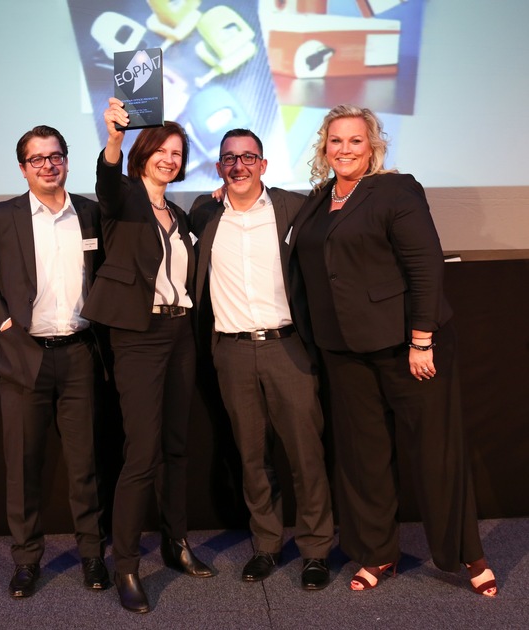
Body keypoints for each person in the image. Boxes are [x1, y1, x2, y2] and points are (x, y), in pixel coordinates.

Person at [288, 104, 497, 596]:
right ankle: (377, 552)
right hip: (343, 349)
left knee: (437, 454)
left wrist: (421, 339)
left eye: (355, 141)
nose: (344, 149)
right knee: (364, 458)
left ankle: (468, 555)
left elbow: (425, 266)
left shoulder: (396, 190)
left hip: (407, 346)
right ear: (324, 147)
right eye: (335, 141)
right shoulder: (317, 200)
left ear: (373, 146)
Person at [0, 125, 108, 598]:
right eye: (37, 158)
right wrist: (4, 322)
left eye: (55, 156)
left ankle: (91, 555)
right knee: (23, 468)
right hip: (24, 358)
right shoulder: (2, 215)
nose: (48, 165)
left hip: (80, 354)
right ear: (23, 168)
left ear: (67, 161)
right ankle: (26, 561)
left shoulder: (90, 213)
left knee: (85, 465)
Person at [81, 98, 214, 614]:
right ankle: (127, 566)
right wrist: (114, 138)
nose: (170, 159)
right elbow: (107, 182)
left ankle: (176, 545)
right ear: (144, 153)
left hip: (181, 334)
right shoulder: (124, 201)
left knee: (177, 447)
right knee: (142, 454)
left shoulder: (178, 214)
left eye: (178, 153)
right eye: (162, 150)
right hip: (139, 336)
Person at [189, 129, 334, 590]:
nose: (239, 166)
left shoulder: (295, 207)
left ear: (264, 165)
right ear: (219, 168)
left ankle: (315, 550)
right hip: (231, 352)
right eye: (230, 158)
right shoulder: (204, 213)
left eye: (248, 157)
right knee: (252, 458)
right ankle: (267, 545)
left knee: (306, 456)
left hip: (287, 347)